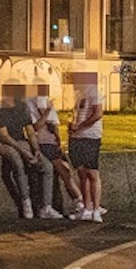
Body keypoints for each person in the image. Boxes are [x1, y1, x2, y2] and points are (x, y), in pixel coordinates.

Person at [0, 83, 52, 219]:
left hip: (20, 140)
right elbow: (4, 135)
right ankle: (26, 203)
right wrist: (23, 151)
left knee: (47, 166)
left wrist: (35, 149)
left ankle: (46, 207)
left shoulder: (22, 107)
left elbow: (30, 131)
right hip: (3, 143)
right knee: (18, 163)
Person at [27, 86, 81, 217]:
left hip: (52, 144)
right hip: (44, 144)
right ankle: (79, 201)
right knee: (62, 169)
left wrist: (59, 141)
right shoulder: (31, 106)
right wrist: (47, 112)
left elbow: (54, 126)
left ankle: (80, 201)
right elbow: (36, 127)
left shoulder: (46, 105)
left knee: (68, 170)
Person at [69, 71, 104, 221]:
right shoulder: (79, 95)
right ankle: (86, 208)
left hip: (90, 136)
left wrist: (81, 126)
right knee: (82, 173)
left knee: (92, 173)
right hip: (78, 136)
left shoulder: (93, 91)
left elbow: (97, 114)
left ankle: (96, 209)